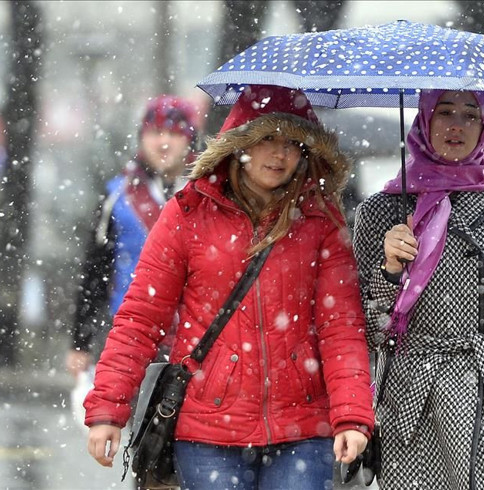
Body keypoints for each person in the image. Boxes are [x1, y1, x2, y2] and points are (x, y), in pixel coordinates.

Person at [83, 84, 374, 489]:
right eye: (268, 138)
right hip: (206, 431)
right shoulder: (188, 213)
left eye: (292, 142)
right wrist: (107, 410)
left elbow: (340, 325)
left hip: (302, 429)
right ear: (240, 143)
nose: (280, 154)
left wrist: (351, 415)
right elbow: (141, 318)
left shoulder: (319, 221)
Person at [352, 89, 484, 489]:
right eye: (444, 112)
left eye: (471, 115)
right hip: (411, 400)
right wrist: (391, 269)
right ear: (424, 121)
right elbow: (364, 328)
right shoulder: (381, 212)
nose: (456, 126)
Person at [66, 95, 200, 379]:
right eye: (155, 132)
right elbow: (95, 268)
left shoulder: (207, 194)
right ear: (142, 137)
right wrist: (80, 341)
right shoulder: (118, 194)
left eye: (175, 133)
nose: (164, 142)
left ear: (190, 139)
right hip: (127, 330)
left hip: (195, 336)